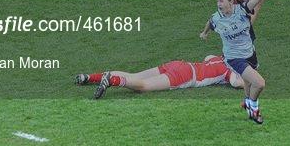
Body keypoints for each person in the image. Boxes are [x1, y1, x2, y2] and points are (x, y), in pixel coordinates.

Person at [199, 0, 267, 124]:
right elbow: (210, 23)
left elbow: (256, 1)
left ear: (231, 2)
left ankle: (247, 102)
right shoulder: (217, 18)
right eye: (218, 1)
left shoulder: (242, 10)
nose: (219, 4)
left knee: (248, 81)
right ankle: (253, 108)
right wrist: (204, 33)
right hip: (234, 57)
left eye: (222, 1)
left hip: (249, 52)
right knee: (259, 83)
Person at [75, 55, 244, 99]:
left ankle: (89, 77)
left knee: (136, 75)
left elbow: (208, 57)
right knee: (142, 86)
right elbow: (237, 83)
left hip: (178, 64)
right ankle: (113, 81)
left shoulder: (216, 59)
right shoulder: (228, 72)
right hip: (184, 75)